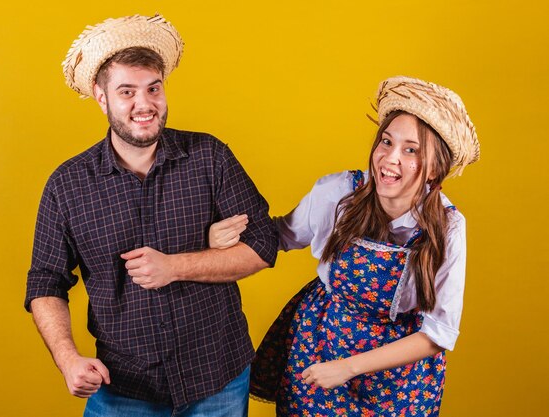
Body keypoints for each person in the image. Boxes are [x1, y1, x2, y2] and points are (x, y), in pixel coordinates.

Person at [24, 14, 278, 417]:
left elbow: (263, 245)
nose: (144, 105)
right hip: (123, 386)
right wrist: (68, 358)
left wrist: (175, 265)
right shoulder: (66, 186)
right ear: (101, 96)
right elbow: (44, 282)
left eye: (153, 89)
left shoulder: (209, 157)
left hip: (218, 378)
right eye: (127, 91)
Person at [210, 76, 479, 416]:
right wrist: (221, 237)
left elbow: (439, 333)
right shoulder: (338, 194)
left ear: (435, 169)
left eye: (411, 150)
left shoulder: (448, 226)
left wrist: (349, 367)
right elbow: (276, 236)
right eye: (386, 142)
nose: (389, 158)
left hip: (398, 378)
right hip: (320, 345)